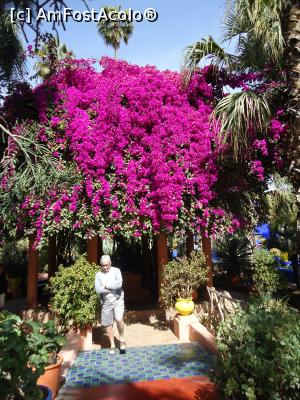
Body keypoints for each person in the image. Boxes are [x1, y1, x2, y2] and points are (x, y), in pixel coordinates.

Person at [95, 255, 126, 354]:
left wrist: (106, 286)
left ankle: (121, 338)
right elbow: (98, 289)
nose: (104, 267)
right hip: (106, 302)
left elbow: (119, 284)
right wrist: (109, 289)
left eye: (106, 265)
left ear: (110, 263)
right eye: (102, 265)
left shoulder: (116, 271)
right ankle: (112, 344)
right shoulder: (98, 275)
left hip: (118, 299)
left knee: (118, 318)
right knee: (108, 324)